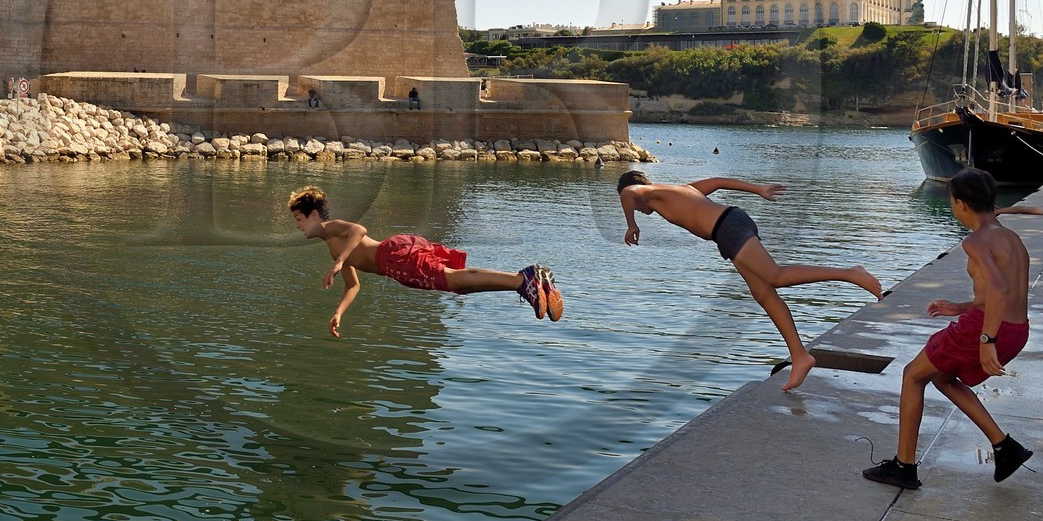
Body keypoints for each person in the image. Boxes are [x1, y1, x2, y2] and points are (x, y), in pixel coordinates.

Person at [617, 170, 882, 391]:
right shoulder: (681, 189)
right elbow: (719, 182)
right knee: (764, 294)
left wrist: (630, 224)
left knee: (775, 276)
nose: (636, 211)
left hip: (728, 227)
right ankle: (800, 356)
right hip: (729, 227)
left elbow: (628, 193)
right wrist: (758, 189)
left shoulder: (646, 193)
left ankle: (849, 273)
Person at [863, 168, 1034, 490]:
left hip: (988, 330)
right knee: (941, 376)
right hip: (1017, 329)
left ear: (960, 204)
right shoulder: (1011, 237)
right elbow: (1002, 294)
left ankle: (904, 466)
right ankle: (1005, 447)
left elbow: (997, 288)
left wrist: (986, 340)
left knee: (913, 375)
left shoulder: (976, 240)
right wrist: (961, 307)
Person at [288, 186, 562, 337]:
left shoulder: (331, 228)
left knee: (453, 279)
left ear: (314, 215)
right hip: (396, 263)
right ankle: (525, 283)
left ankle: (524, 278)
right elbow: (353, 286)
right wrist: (338, 313)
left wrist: (339, 262)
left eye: (299, 220)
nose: (299, 227)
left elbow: (359, 230)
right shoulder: (332, 248)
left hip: (394, 255)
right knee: (457, 284)